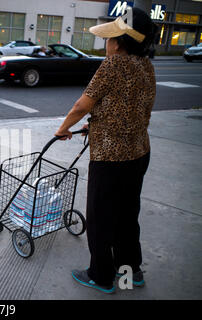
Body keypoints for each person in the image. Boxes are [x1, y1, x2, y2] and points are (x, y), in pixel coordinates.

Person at [54, 7, 158, 294]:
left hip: (111, 158)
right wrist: (96, 126)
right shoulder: (147, 66)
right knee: (127, 214)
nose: (107, 43)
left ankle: (100, 277)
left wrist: (63, 129)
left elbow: (82, 105)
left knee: (100, 218)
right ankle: (130, 271)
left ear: (121, 41)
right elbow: (134, 109)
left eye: (110, 38)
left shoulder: (113, 65)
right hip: (139, 153)